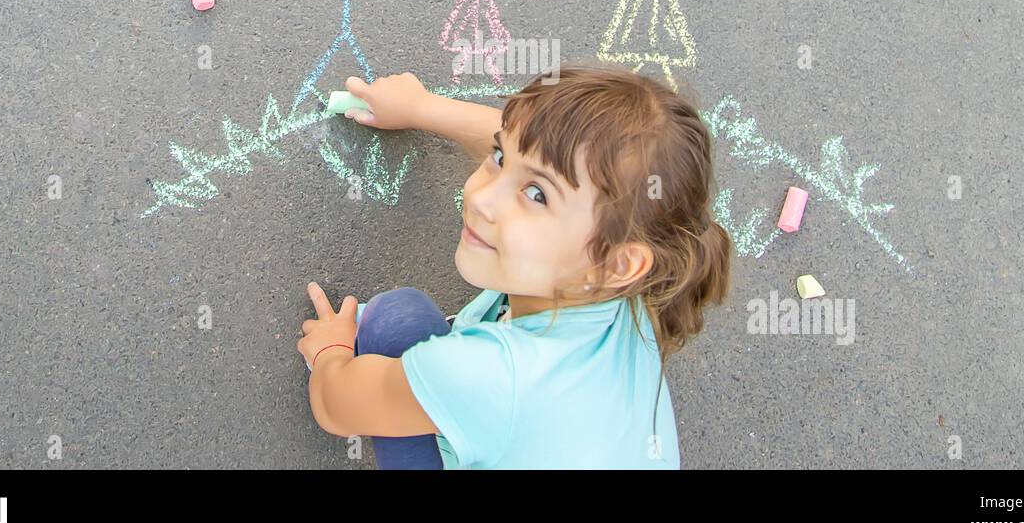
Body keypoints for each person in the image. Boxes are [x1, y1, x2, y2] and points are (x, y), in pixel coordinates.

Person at [296, 64, 732, 468]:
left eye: (537, 195)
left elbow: (336, 407)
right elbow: (537, 148)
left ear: (618, 263)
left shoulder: (487, 375)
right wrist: (421, 107)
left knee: (396, 321)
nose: (481, 198)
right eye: (500, 159)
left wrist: (331, 351)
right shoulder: (636, 280)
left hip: (492, 394)